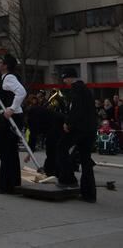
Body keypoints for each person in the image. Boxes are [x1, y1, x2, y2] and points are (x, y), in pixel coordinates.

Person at [56, 68, 97, 203]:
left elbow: (76, 108)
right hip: (90, 129)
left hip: (79, 128)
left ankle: (68, 179)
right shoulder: (85, 89)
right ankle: (89, 194)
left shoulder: (76, 89)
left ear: (69, 78)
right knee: (86, 160)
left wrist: (68, 123)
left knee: (61, 147)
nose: (64, 82)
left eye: (65, 79)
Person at [0, 53, 27, 195]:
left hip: (12, 118)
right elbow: (3, 102)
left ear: (5, 65)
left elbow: (22, 92)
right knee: (10, 151)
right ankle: (12, 182)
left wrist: (11, 108)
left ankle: (6, 185)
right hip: (10, 116)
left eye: (0, 62)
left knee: (5, 150)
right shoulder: (5, 79)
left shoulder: (9, 78)